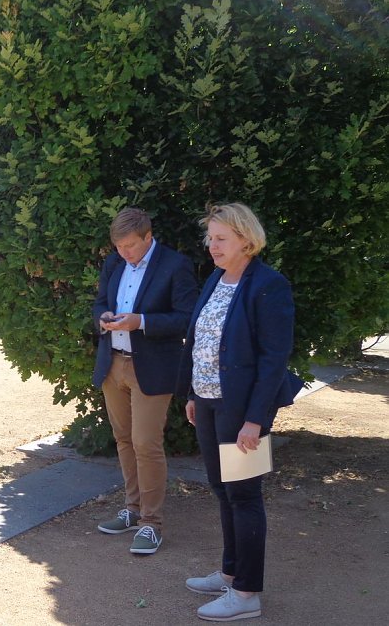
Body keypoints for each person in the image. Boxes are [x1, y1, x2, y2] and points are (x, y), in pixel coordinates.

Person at [178, 203, 302, 621]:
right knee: (221, 488)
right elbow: (203, 341)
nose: (211, 246)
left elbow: (273, 359)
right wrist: (194, 393)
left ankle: (247, 594)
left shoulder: (269, 285)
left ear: (246, 240)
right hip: (209, 404)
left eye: (220, 239)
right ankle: (231, 573)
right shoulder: (216, 278)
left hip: (244, 411)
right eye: (210, 238)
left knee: (245, 495)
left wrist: (256, 419)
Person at [92, 207, 198, 555]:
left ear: (148, 237)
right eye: (119, 247)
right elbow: (100, 304)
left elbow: (186, 319)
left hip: (151, 368)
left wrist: (140, 322)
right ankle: (132, 509)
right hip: (113, 364)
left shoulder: (175, 264)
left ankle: (151, 524)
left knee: (145, 443)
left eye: (131, 246)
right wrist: (104, 318)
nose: (124, 253)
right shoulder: (114, 263)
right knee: (123, 439)